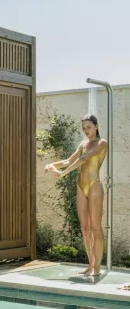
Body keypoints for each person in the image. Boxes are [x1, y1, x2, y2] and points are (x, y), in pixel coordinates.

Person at [45, 114, 108, 277]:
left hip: (94, 186)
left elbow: (84, 159)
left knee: (95, 228)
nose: (86, 131)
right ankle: (90, 264)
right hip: (81, 185)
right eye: (84, 128)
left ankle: (97, 268)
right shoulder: (83, 144)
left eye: (89, 127)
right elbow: (69, 160)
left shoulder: (102, 143)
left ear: (96, 126)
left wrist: (63, 174)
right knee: (84, 228)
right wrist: (52, 164)